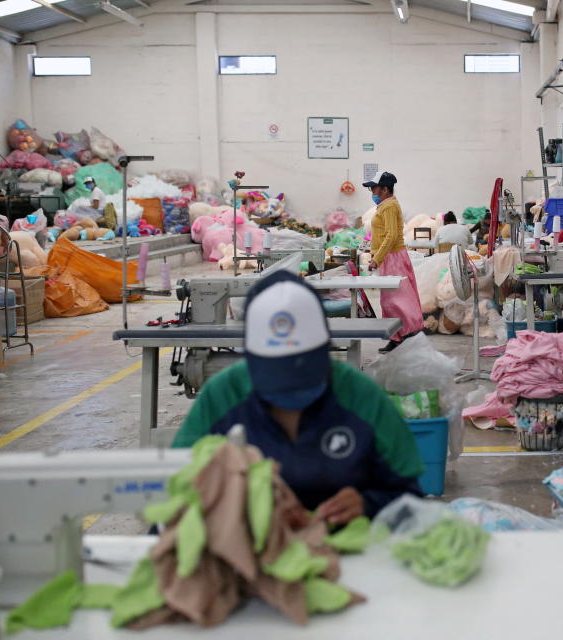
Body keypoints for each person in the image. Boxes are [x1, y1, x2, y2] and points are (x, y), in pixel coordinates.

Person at [172, 270, 424, 524]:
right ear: (250, 358)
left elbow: (411, 498)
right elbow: (175, 496)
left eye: (302, 373)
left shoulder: (361, 398)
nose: (291, 395)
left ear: (325, 351)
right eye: (277, 376)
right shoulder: (223, 397)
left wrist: (368, 504)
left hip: (347, 555)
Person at [362, 170, 424, 353]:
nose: (372, 192)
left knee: (398, 300)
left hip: (393, 257)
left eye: (374, 188)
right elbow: (384, 234)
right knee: (390, 300)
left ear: (385, 189)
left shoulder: (389, 206)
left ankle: (407, 336)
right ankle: (397, 337)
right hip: (389, 256)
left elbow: (392, 235)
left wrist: (377, 259)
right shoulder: (385, 205)